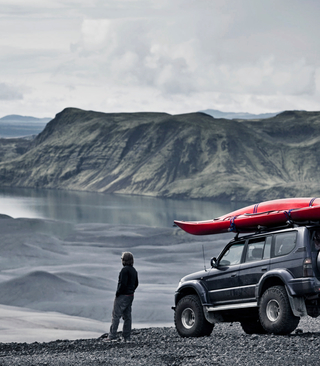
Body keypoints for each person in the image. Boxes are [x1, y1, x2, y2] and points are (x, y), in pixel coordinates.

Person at [105, 252, 139, 342]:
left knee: (116, 315)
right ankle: (126, 337)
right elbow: (136, 283)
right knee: (127, 316)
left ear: (124, 260)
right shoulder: (134, 270)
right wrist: (131, 291)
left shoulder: (124, 270)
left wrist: (118, 293)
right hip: (130, 295)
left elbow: (122, 284)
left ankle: (112, 336)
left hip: (122, 295)